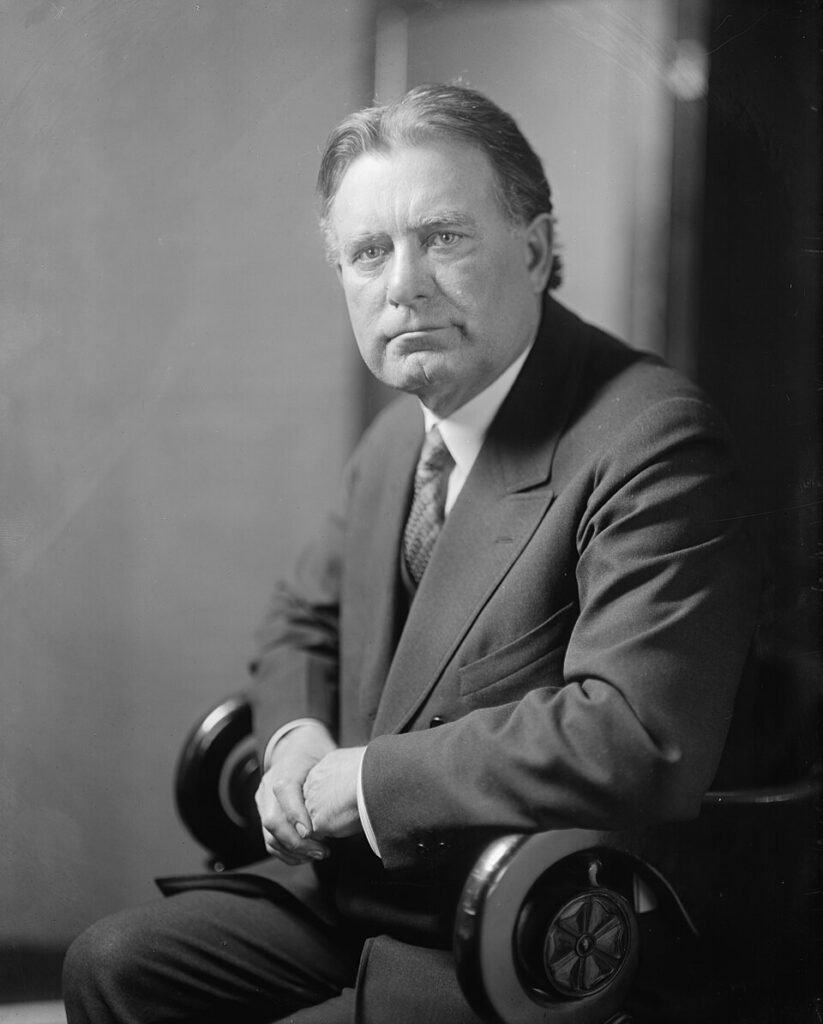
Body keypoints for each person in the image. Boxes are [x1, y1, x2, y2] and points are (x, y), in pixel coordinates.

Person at [63, 83, 759, 1024]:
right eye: (368, 253)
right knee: (112, 966)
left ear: (534, 250)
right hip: (367, 890)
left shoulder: (651, 439)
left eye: (443, 237)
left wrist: (363, 783)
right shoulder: (403, 435)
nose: (403, 286)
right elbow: (301, 620)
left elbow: (633, 736)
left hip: (526, 927)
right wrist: (297, 742)